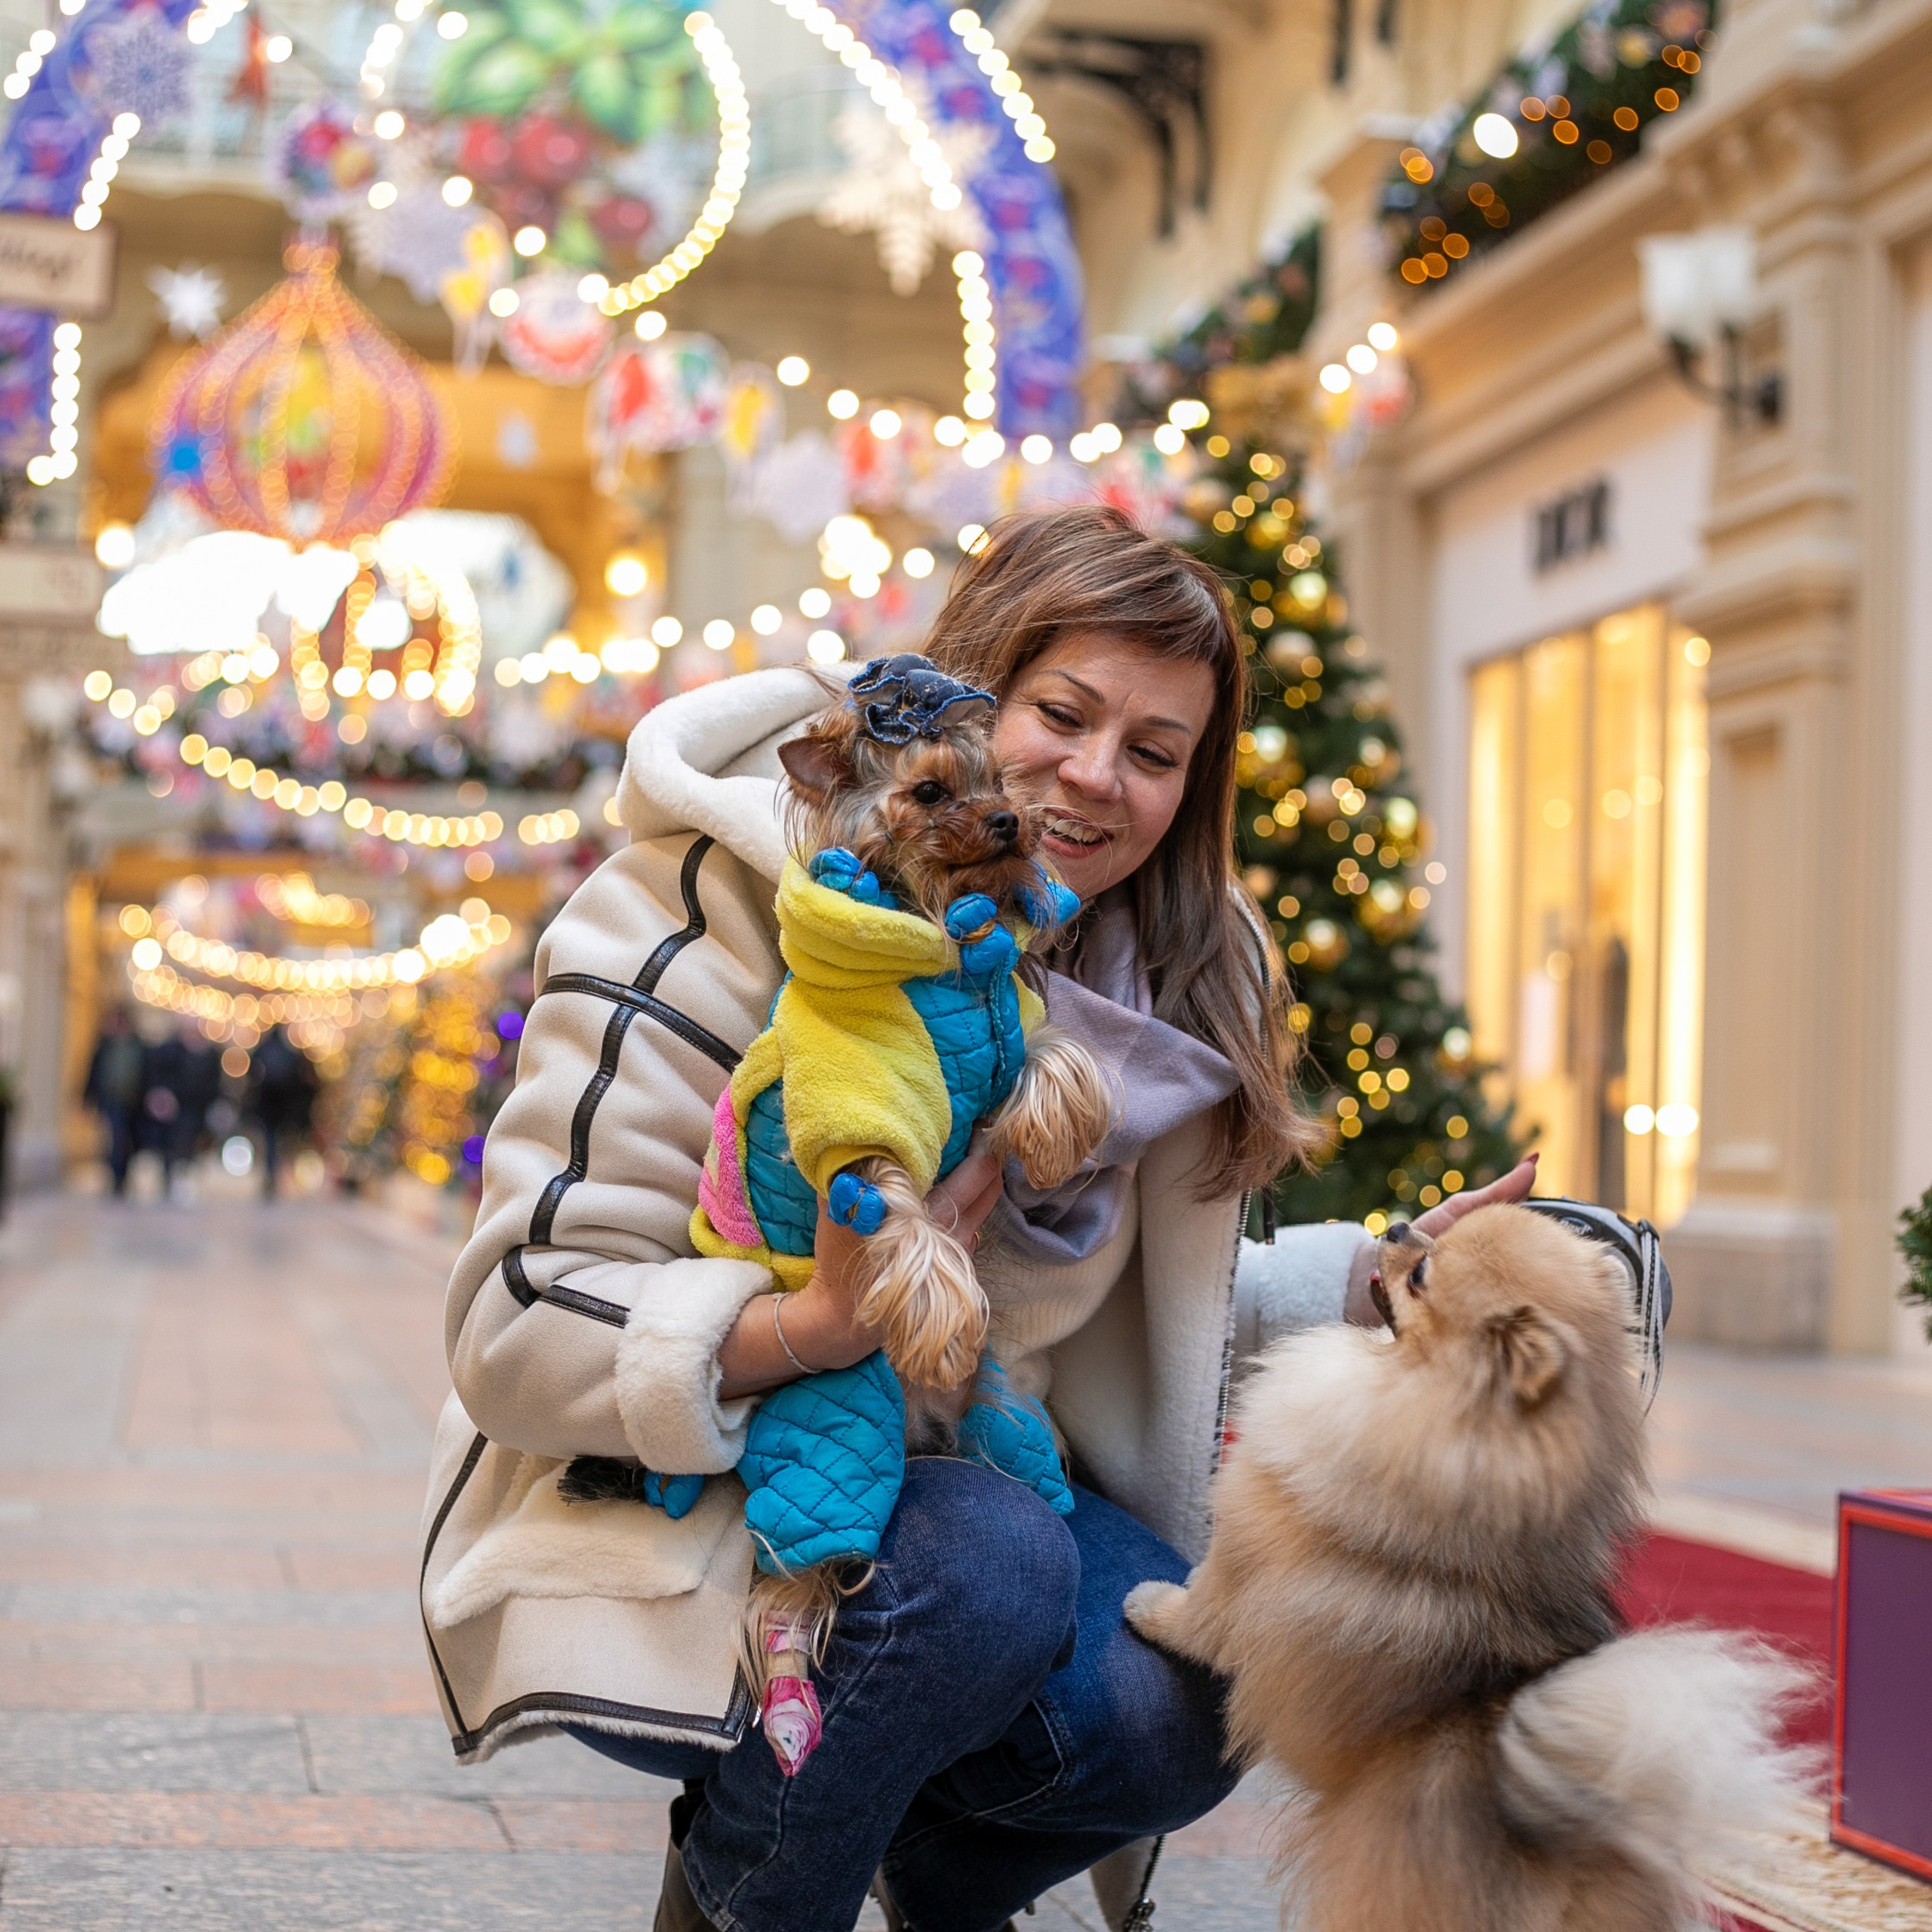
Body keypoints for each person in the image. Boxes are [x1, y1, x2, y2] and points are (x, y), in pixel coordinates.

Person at [423, 506, 1537, 1932]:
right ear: (965, 697)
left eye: (1154, 751)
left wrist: (1376, 1282)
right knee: (989, 1572)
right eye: (1060, 714)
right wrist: (815, 1319)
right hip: (696, 1489)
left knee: (1178, 1680)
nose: (1092, 778)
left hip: (972, 1437)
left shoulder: (1168, 978)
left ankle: (903, 1853)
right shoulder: (701, 904)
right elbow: (516, 1318)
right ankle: (742, 1895)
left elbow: (1127, 1325)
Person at [247, 1026, 317, 1199]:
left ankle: (272, 1172)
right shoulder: (288, 1052)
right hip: (283, 1106)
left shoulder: (263, 1050)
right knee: (279, 1140)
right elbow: (297, 1077)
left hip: (267, 1103)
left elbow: (252, 1073)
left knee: (269, 1138)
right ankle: (277, 1172)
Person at [82, 1008, 144, 1196]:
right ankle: (116, 1178)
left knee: (127, 1142)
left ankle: (123, 1175)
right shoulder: (105, 1045)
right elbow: (94, 1072)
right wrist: (87, 1097)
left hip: (132, 1103)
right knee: (113, 1140)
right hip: (110, 1101)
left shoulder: (137, 1046)